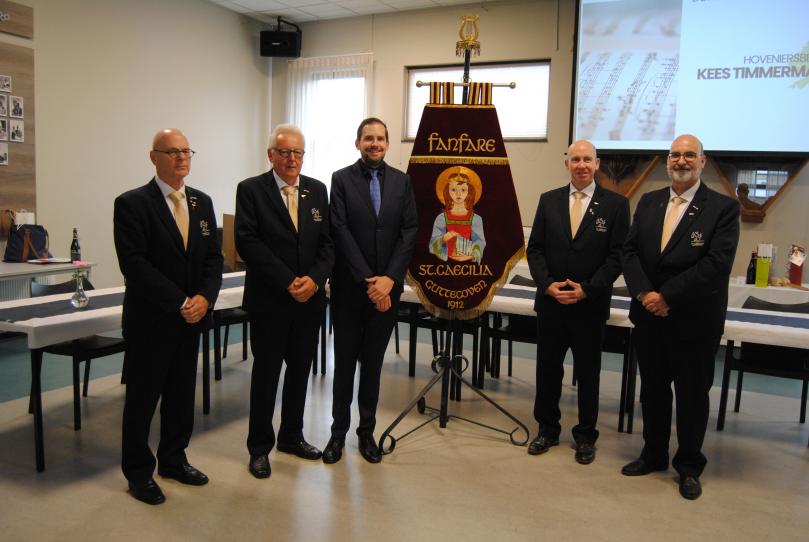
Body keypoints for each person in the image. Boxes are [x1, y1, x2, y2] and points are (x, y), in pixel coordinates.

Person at [622, 134, 740, 500]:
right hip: (649, 317)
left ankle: (689, 466)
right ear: (667, 161)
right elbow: (629, 252)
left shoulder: (722, 208)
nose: (681, 160)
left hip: (694, 320)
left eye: (689, 154)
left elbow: (717, 263)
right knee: (653, 392)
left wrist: (666, 296)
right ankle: (653, 454)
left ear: (703, 161)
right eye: (675, 154)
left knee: (691, 396)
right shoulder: (649, 201)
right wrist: (645, 294)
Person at [113, 128, 223, 505]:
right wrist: (180, 301)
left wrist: (205, 299)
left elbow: (214, 259)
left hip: (190, 320)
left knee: (180, 395)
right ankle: (138, 472)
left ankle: (174, 460)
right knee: (142, 401)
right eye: (172, 152)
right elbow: (135, 264)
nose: (181, 158)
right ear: (153, 157)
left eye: (186, 151)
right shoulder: (132, 203)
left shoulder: (201, 202)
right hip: (152, 320)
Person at [235, 124, 334, 479]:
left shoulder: (317, 190)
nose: (292, 158)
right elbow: (247, 242)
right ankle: (259, 448)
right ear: (271, 155)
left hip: (308, 301)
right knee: (266, 376)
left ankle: (292, 436)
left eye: (298, 152)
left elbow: (328, 243)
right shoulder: (251, 190)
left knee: (299, 372)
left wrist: (315, 279)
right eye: (285, 152)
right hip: (270, 301)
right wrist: (287, 280)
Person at [526, 139, 630, 464]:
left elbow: (617, 256)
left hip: (589, 306)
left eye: (587, 160)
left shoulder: (616, 205)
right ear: (566, 164)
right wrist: (547, 285)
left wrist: (588, 289)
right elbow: (535, 249)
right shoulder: (549, 200)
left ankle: (585, 436)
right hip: (552, 304)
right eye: (575, 159)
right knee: (547, 371)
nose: (581, 165)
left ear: (597, 164)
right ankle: (547, 429)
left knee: (588, 374)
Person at [323, 117, 417, 464]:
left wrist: (389, 279)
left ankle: (366, 433)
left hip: (388, 291)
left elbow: (409, 231)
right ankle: (337, 434)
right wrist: (368, 280)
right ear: (358, 143)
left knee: (373, 365)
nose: (374, 143)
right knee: (345, 364)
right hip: (350, 289)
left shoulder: (402, 182)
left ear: (388, 144)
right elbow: (339, 229)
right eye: (368, 138)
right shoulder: (341, 179)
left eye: (380, 138)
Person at [428, 167, 486, 263]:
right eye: (453, 189)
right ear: (448, 191)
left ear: (469, 192)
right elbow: (432, 245)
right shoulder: (441, 218)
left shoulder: (476, 219)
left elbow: (479, 241)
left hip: (467, 260)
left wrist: (470, 256)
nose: (458, 194)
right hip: (445, 262)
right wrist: (444, 238)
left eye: (463, 190)